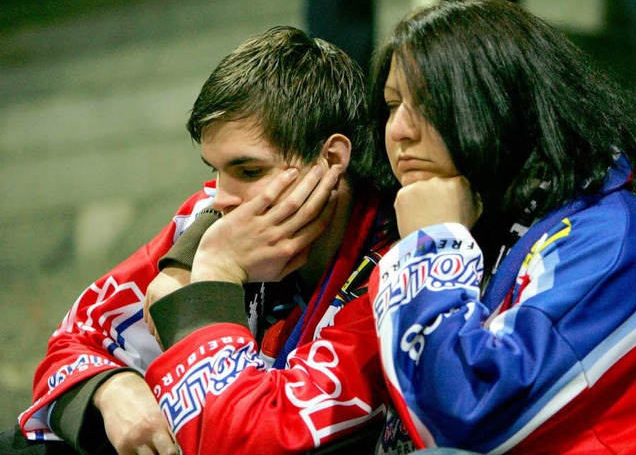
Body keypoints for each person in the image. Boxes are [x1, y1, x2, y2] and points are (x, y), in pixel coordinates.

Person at [7, 26, 397, 454]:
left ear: (331, 159)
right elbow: (71, 343)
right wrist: (110, 388)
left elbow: (243, 440)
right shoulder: (211, 216)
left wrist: (215, 278)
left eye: (249, 172)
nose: (221, 196)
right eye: (215, 169)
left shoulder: (388, 281)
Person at [367, 0, 636, 454]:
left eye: (430, 103)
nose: (399, 130)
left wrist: (430, 248)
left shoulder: (607, 240)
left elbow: (469, 417)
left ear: (504, 105)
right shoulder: (476, 215)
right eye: (393, 104)